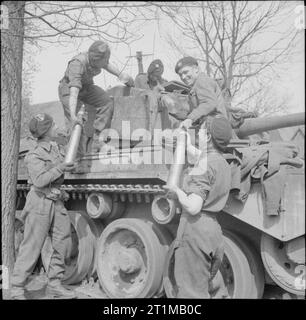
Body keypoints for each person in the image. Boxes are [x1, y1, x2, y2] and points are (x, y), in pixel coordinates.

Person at [164, 115, 232, 298]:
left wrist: (176, 191)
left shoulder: (204, 163)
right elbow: (201, 155)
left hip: (195, 230)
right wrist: (185, 142)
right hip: (213, 232)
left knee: (190, 293)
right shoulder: (223, 162)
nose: (198, 134)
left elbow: (193, 207)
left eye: (201, 131)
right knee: (211, 288)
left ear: (208, 137)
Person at [11, 113, 76, 299]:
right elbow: (39, 180)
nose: (55, 127)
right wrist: (61, 168)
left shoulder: (56, 148)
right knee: (32, 245)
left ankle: (55, 284)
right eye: (52, 125)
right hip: (39, 202)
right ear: (46, 131)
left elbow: (71, 152)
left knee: (63, 243)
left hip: (56, 201)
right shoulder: (34, 155)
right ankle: (16, 288)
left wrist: (76, 126)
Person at [58, 40, 134, 158]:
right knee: (77, 123)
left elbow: (107, 65)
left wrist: (121, 75)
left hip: (86, 87)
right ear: (95, 59)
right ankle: (74, 157)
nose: (106, 62)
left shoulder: (98, 60)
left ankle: (99, 140)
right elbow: (74, 91)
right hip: (69, 90)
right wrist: (73, 115)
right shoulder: (77, 63)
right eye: (104, 59)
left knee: (106, 102)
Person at [174, 56, 228, 130]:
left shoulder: (202, 81)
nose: (183, 77)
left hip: (216, 126)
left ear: (196, 69)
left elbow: (209, 103)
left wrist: (190, 119)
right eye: (180, 75)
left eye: (186, 72)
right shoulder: (195, 85)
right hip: (211, 125)